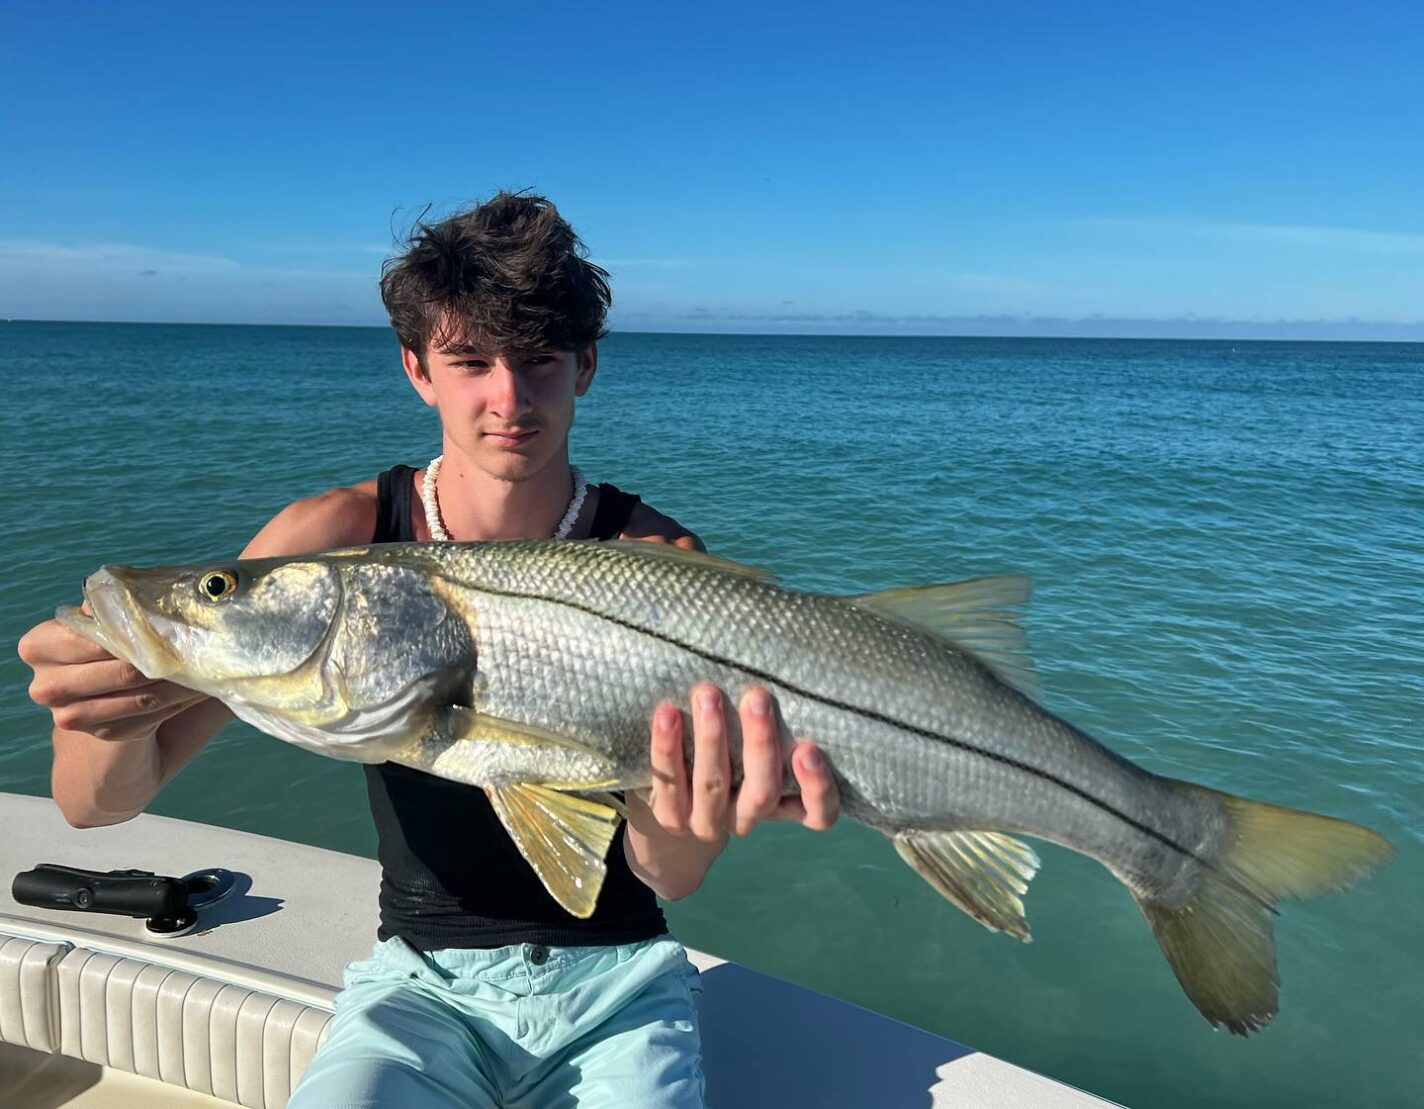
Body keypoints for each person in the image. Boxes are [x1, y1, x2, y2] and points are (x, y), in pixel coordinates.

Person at [18, 192, 840, 1107]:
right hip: (417, 984)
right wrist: (108, 709)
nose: (509, 397)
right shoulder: (331, 542)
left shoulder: (657, 567)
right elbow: (94, 806)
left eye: (539, 361)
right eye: (470, 360)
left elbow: (667, 875)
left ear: (587, 366)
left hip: (624, 982)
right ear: (417, 368)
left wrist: (702, 810)